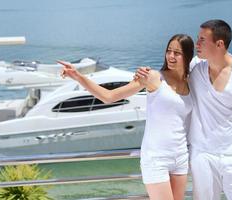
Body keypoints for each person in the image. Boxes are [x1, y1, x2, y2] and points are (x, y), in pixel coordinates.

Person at [136, 20, 232, 200]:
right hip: (202, 156)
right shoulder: (196, 68)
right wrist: (146, 73)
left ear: (219, 44)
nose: (197, 44)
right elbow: (171, 71)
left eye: (202, 40)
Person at [59, 34, 194, 200]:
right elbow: (109, 96)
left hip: (180, 156)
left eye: (177, 53)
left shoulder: (190, 81)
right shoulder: (153, 77)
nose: (171, 56)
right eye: (169, 51)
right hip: (156, 158)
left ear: (187, 56)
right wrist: (78, 76)